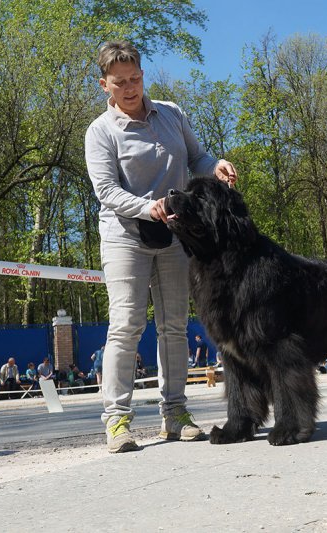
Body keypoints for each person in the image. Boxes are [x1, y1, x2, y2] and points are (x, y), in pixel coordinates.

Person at [85, 41, 238, 452]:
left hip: (175, 235)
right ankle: (116, 420)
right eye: (121, 83)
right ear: (105, 85)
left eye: (135, 78)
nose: (131, 88)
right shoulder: (100, 132)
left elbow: (197, 158)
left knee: (174, 325)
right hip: (125, 237)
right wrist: (148, 208)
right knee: (126, 326)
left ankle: (175, 413)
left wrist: (216, 165)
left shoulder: (171, 114)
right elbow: (106, 191)